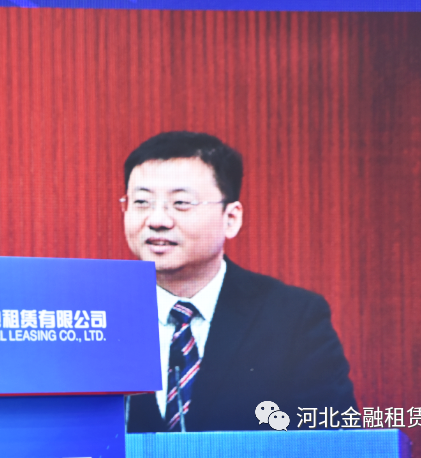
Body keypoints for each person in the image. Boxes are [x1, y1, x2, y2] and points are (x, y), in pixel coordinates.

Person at [122, 131, 356, 432]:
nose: (157, 220)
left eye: (180, 203)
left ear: (231, 218)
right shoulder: (97, 316)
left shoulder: (293, 319)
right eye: (142, 202)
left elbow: (335, 440)